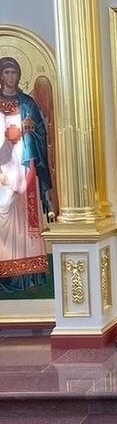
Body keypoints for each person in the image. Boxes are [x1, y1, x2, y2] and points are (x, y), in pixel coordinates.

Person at [0, 56, 53, 293]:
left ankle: (30, 275)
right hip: (3, 168)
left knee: (25, 217)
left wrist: (30, 130)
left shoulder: (27, 103)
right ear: (0, 76)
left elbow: (40, 132)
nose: (11, 77)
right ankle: (6, 274)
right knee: (4, 214)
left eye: (14, 73)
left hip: (24, 167)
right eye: (6, 72)